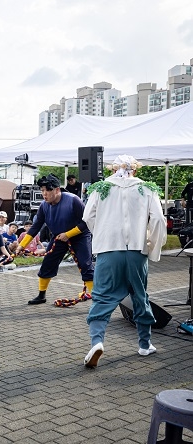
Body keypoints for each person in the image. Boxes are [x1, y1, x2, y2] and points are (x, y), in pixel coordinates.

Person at [82, 155, 167, 368]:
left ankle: (97, 342)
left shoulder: (100, 188)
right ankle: (145, 344)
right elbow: (157, 219)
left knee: (102, 297)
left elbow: (87, 217)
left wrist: (102, 234)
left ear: (113, 169)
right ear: (135, 170)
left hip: (109, 251)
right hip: (137, 251)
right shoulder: (147, 189)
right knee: (140, 295)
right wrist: (151, 246)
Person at [15, 174, 94, 305]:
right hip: (58, 238)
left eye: (47, 190)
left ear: (57, 190)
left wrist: (68, 234)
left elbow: (87, 222)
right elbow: (35, 228)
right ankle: (41, 295)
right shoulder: (43, 206)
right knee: (48, 264)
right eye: (42, 191)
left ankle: (96, 298)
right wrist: (21, 246)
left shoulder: (74, 200)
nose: (44, 194)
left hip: (80, 236)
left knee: (86, 265)